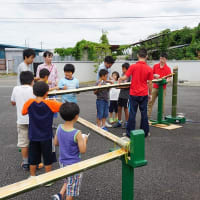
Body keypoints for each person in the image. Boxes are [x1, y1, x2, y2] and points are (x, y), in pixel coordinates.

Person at [22, 81, 62, 177]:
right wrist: (56, 102)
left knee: (33, 157)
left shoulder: (29, 102)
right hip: (46, 136)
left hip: (33, 135)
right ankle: (47, 178)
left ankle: (32, 176)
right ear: (46, 93)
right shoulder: (50, 103)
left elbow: (23, 112)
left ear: (34, 92)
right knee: (47, 158)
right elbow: (62, 107)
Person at [51, 102, 88, 200]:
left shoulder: (59, 127)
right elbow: (83, 150)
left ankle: (59, 195)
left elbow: (56, 143)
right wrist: (84, 140)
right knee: (71, 191)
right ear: (76, 116)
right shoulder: (77, 133)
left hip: (62, 162)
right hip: (74, 165)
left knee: (67, 180)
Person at [119, 49, 153, 138]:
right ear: (146, 57)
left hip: (133, 93)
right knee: (144, 113)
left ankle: (129, 133)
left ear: (138, 55)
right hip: (144, 94)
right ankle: (145, 132)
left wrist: (119, 79)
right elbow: (150, 83)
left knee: (132, 113)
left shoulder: (133, 67)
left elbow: (125, 77)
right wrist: (150, 94)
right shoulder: (149, 69)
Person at [11, 71, 35, 171]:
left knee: (23, 142)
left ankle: (25, 163)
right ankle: (34, 161)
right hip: (33, 121)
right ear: (32, 81)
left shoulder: (16, 89)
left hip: (21, 120)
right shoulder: (33, 89)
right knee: (34, 141)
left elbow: (13, 102)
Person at [148, 52, 172, 119]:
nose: (161, 60)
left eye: (163, 59)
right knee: (150, 102)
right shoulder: (155, 66)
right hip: (154, 87)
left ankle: (160, 117)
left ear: (166, 59)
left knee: (162, 104)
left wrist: (167, 80)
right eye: (160, 58)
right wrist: (154, 75)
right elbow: (151, 75)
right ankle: (147, 117)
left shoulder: (168, 68)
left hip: (163, 88)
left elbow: (169, 78)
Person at [113, 63, 131, 129]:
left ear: (127, 69)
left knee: (126, 108)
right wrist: (118, 86)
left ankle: (127, 122)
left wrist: (121, 87)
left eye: (123, 69)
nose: (122, 70)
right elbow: (120, 83)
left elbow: (129, 85)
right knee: (119, 107)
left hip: (127, 95)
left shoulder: (130, 75)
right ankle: (119, 121)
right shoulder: (123, 75)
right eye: (122, 69)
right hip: (121, 94)